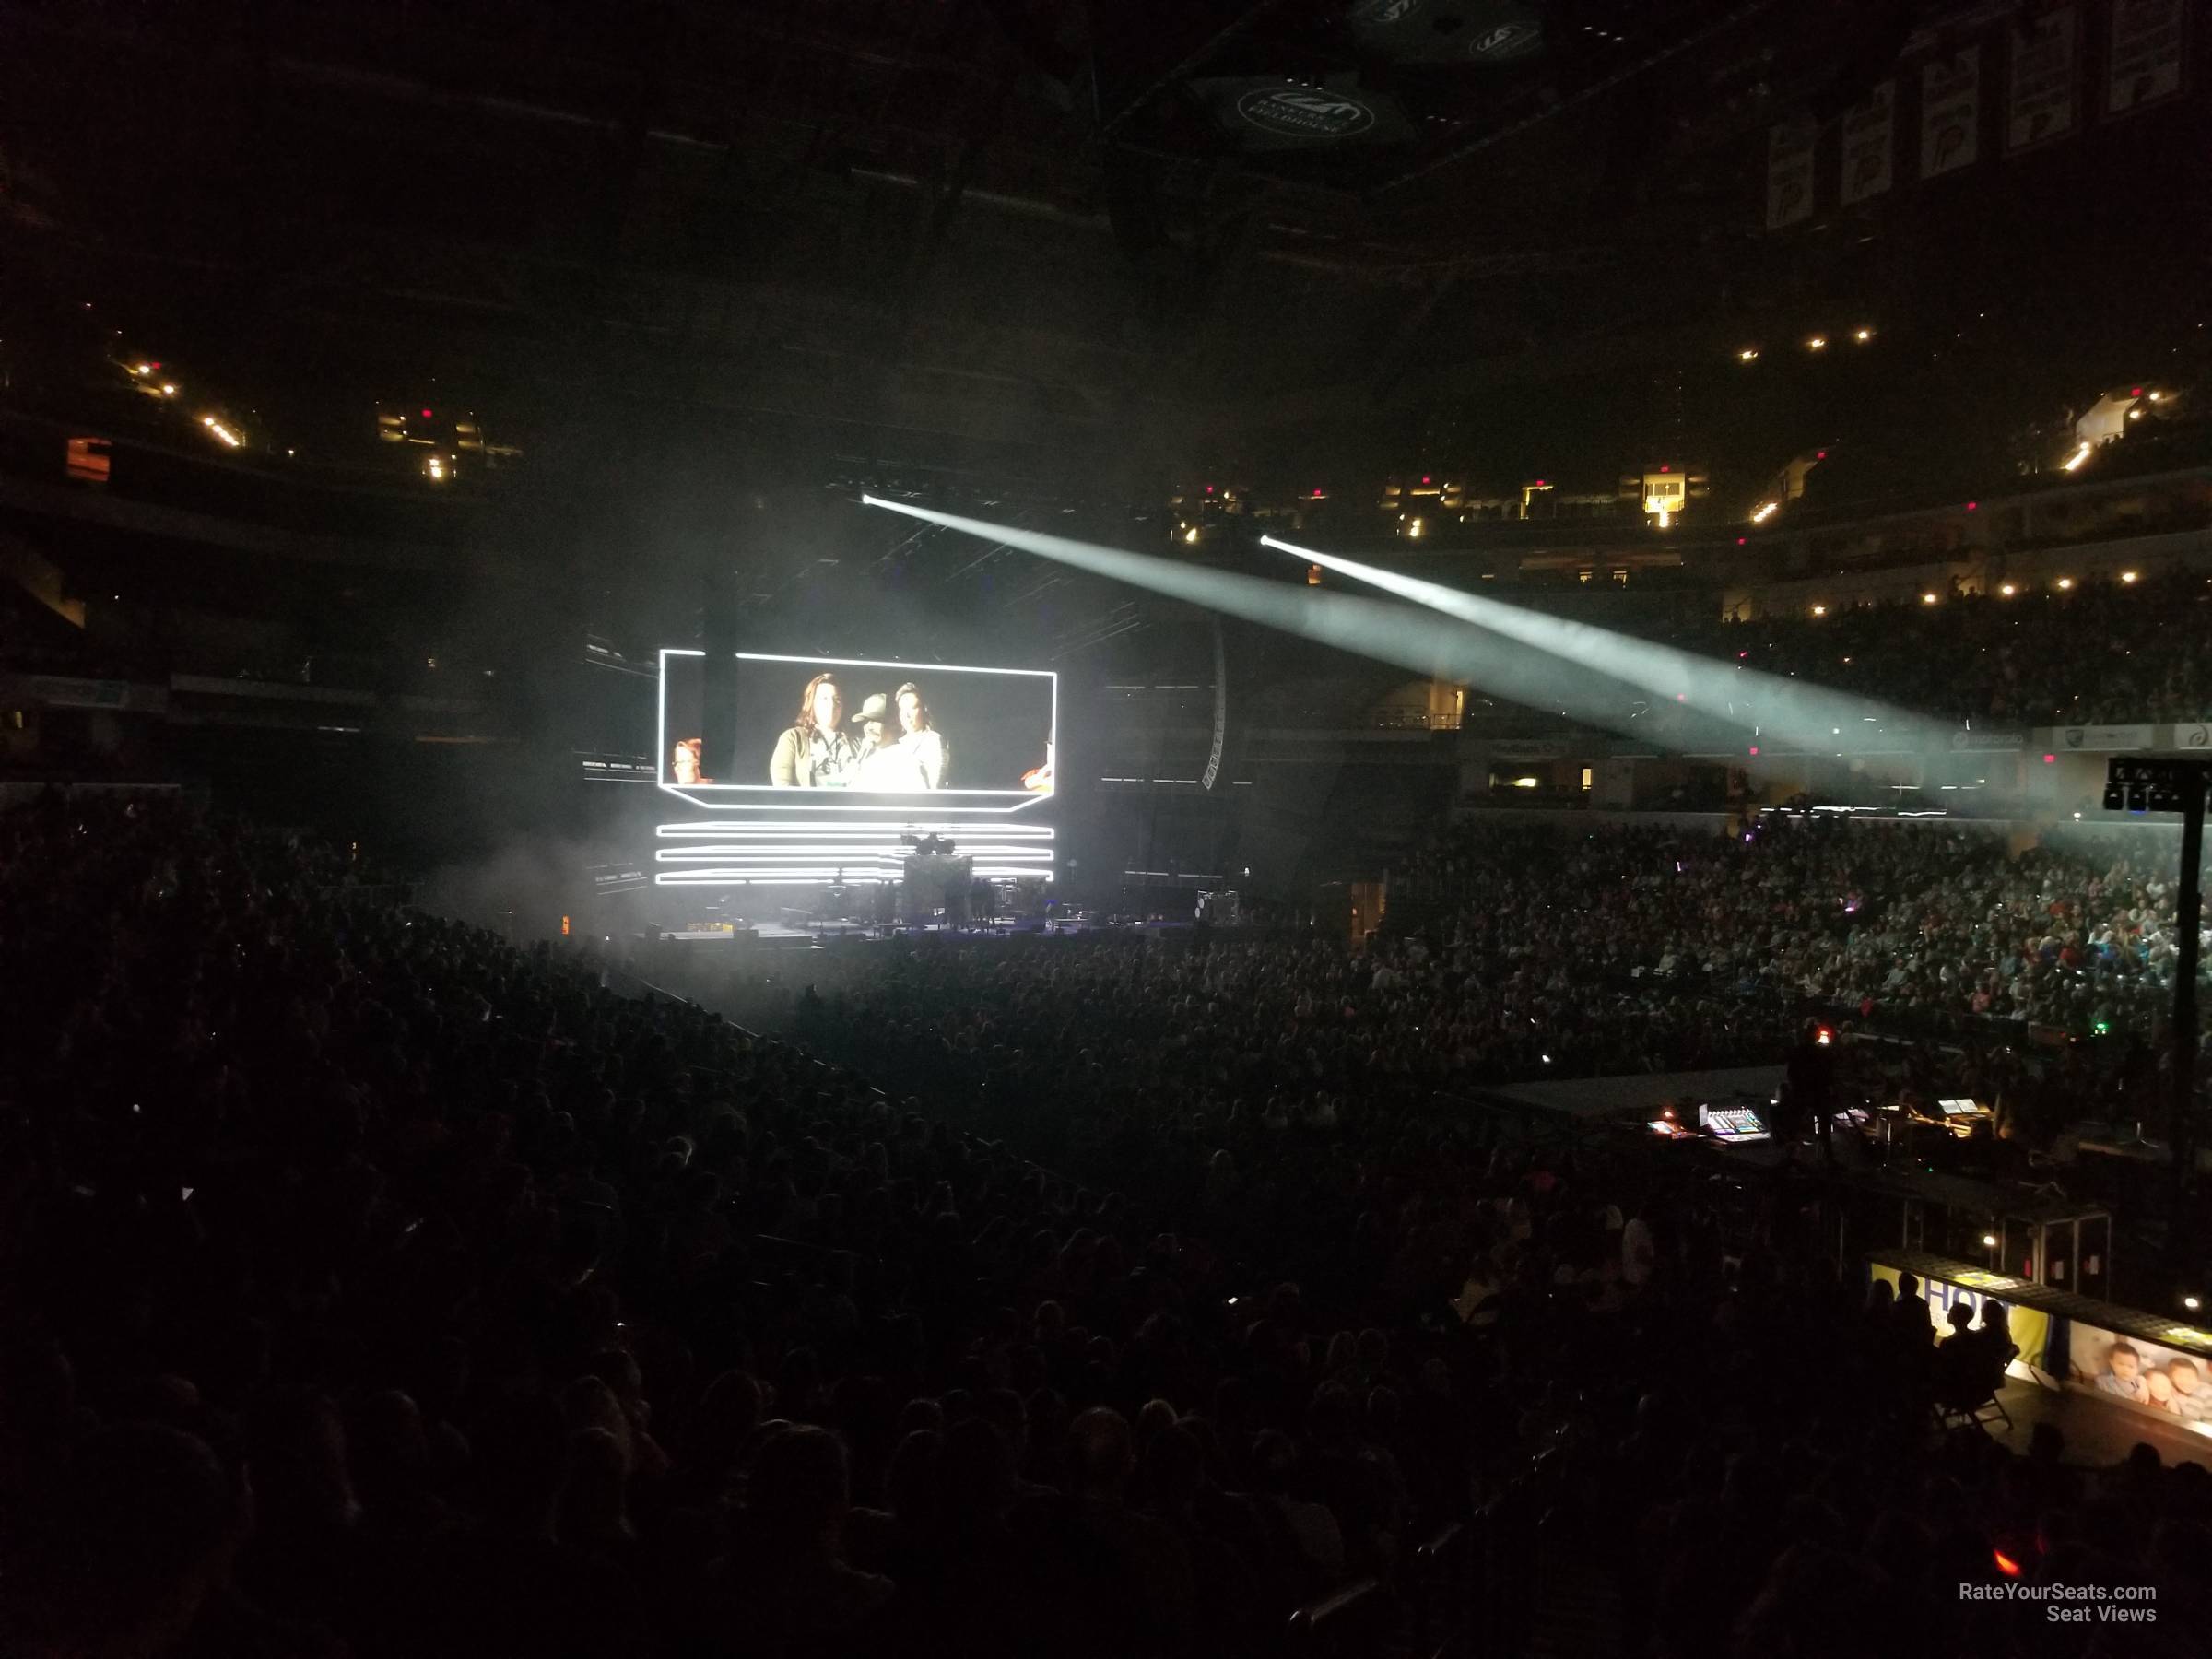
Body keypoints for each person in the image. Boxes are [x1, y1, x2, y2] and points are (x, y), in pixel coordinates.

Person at [770, 674, 858, 787]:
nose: (831, 705)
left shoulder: (857, 742)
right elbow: (782, 786)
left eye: (837, 699)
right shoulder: (793, 738)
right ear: (812, 703)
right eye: (824, 698)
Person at [895, 682, 947, 789]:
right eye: (902, 709)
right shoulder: (896, 743)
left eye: (912, 708)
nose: (906, 715)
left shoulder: (933, 740)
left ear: (924, 709)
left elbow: (935, 786)